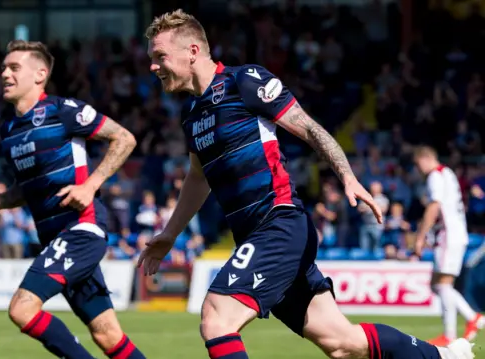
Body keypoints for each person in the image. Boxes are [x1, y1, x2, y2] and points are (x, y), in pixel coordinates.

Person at [138, 9, 474, 359]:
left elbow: (310, 127)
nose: (153, 66)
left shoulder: (244, 82)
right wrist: (170, 233)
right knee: (342, 343)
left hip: (277, 224)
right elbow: (198, 176)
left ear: (192, 51)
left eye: (160, 56)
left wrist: (346, 175)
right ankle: (446, 357)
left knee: (217, 317)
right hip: (255, 236)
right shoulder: (192, 115)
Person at [0, 40, 145, 359]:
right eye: (3, 68)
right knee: (107, 335)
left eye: (14, 67)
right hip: (54, 240)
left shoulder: (63, 111)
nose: (4, 73)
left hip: (81, 230)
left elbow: (124, 137)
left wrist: (91, 185)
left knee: (22, 308)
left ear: (40, 74)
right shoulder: (8, 130)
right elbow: (28, 188)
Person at [413, 146, 484, 345]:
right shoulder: (448, 173)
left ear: (426, 159)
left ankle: (458, 328)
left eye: (418, 165)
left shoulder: (435, 176)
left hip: (449, 235)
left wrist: (420, 236)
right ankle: (467, 321)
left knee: (442, 284)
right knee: (439, 284)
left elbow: (434, 205)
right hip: (455, 232)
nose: (419, 170)